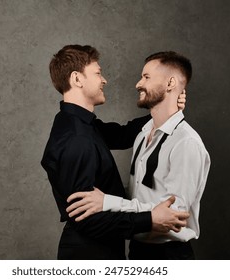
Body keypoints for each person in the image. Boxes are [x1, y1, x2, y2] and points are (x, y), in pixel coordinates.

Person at [41, 45, 189, 259]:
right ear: (77, 79)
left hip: (100, 249)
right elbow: (87, 220)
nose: (104, 80)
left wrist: (167, 109)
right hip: (90, 255)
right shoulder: (76, 138)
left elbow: (122, 134)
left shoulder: (79, 124)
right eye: (98, 73)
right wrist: (150, 219)